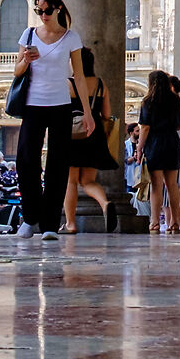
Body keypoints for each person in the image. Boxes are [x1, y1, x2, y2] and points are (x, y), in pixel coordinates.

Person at [14, 0, 95, 242]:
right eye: (38, 10)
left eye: (47, 10)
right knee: (26, 161)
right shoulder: (28, 34)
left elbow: (79, 77)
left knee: (58, 166)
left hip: (60, 105)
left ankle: (50, 223)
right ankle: (30, 218)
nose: (43, 15)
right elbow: (16, 72)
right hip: (32, 104)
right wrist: (26, 60)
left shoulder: (71, 38)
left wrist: (88, 112)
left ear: (58, 8)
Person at [62, 41, 116, 236]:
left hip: (72, 134)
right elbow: (107, 114)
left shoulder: (68, 83)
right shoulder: (101, 84)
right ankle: (105, 203)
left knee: (71, 181)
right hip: (94, 134)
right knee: (88, 181)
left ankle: (70, 223)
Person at [136, 67, 180, 236]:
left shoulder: (147, 102)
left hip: (154, 145)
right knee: (172, 185)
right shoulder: (176, 101)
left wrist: (139, 147)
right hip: (172, 143)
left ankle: (155, 222)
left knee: (156, 186)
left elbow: (144, 128)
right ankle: (174, 222)